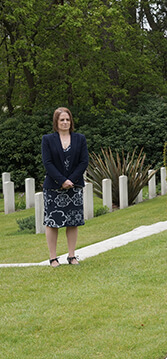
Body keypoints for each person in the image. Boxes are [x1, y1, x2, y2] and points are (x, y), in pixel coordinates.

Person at [41, 107, 89, 267]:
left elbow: (84, 162)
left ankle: (71, 255)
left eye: (67, 119)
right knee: (52, 222)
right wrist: (61, 180)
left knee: (73, 221)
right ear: (56, 122)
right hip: (53, 187)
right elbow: (47, 162)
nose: (65, 122)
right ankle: (53, 258)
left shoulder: (80, 139)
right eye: (62, 119)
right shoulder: (48, 140)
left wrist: (71, 180)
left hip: (74, 187)